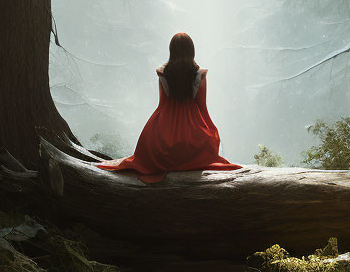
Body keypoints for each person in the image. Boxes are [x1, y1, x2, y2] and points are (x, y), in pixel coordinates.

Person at [97, 32, 242, 184]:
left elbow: (162, 105)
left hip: (164, 135)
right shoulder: (200, 75)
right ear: (191, 50)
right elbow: (202, 108)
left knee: (151, 145)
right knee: (208, 139)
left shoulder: (162, 73)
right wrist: (212, 132)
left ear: (171, 50)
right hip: (192, 136)